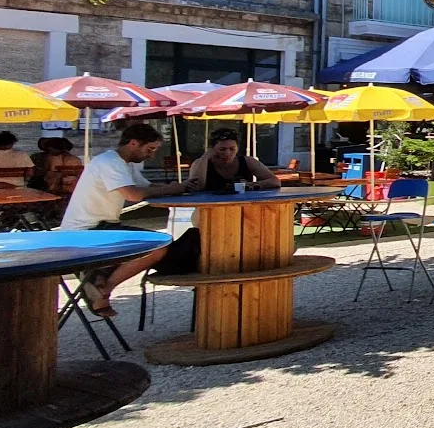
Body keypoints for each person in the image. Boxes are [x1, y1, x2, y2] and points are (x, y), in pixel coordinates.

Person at [64, 124, 196, 318]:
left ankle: (98, 278)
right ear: (133, 143)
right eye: (149, 149)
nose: (151, 156)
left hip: (104, 226)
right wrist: (173, 189)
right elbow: (133, 194)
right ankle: (103, 289)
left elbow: (148, 186)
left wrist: (180, 187)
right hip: (86, 231)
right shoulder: (109, 162)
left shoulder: (124, 164)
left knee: (159, 243)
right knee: (157, 246)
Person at [184, 128, 280, 193]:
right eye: (222, 149)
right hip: (209, 208)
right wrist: (205, 158)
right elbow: (196, 187)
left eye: (232, 149)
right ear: (212, 149)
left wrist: (251, 185)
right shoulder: (201, 163)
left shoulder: (248, 161)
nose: (228, 153)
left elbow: (275, 182)